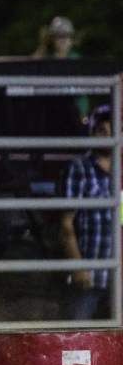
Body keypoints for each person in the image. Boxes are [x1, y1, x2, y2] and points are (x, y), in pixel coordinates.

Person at [59, 104, 114, 320]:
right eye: (102, 130)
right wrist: (78, 266)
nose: (109, 135)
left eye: (114, 129)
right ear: (92, 132)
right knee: (77, 337)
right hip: (89, 270)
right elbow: (66, 223)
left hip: (116, 273)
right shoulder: (79, 168)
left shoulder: (120, 171)